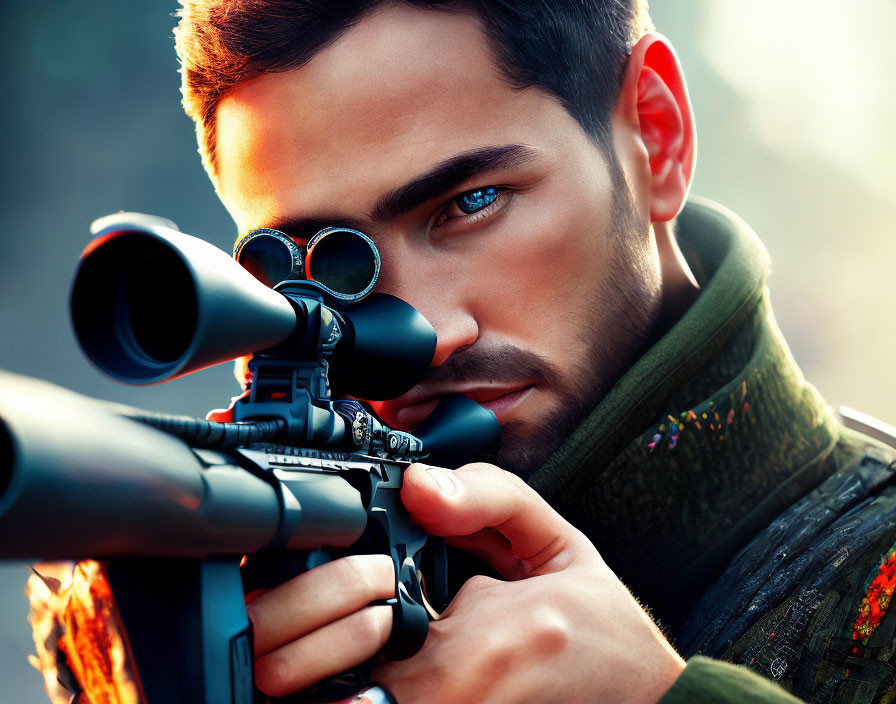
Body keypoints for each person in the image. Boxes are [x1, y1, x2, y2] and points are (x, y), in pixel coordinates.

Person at [31, 1, 895, 702]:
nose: (425, 334)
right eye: (322, 264)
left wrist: (662, 697)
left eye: (471, 202)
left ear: (655, 136)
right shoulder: (248, 600)